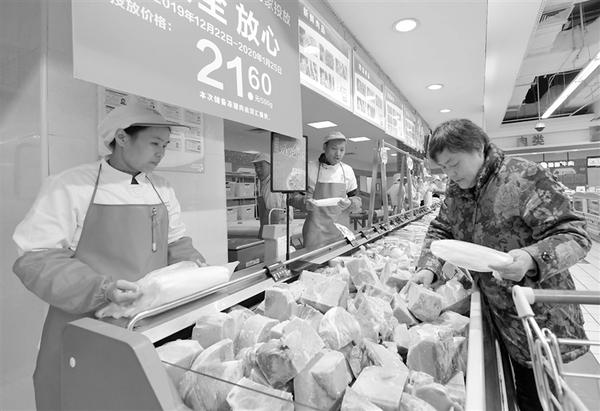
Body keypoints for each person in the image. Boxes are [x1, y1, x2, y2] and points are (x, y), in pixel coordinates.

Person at [12, 104, 207, 411]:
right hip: (83, 324)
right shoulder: (71, 185)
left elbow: (177, 242)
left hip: (144, 324)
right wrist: (102, 289)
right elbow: (36, 258)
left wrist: (195, 266)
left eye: (165, 145)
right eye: (155, 143)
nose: (161, 153)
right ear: (122, 138)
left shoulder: (162, 188)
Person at [413, 119, 591, 411]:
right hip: (492, 313)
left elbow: (574, 235)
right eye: (443, 168)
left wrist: (530, 257)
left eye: (454, 163)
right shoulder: (457, 189)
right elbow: (442, 228)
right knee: (511, 392)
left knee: (537, 397)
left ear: (478, 148)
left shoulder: (524, 177)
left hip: (535, 317)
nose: (450, 173)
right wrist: (428, 267)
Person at [301, 131, 361, 250]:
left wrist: (351, 203)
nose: (338, 154)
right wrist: (304, 202)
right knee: (314, 260)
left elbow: (357, 199)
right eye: (334, 148)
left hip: (340, 231)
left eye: (342, 150)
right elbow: (294, 197)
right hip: (315, 232)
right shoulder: (310, 168)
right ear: (324, 147)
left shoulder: (348, 170)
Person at [252, 152, 287, 238]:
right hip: (271, 227)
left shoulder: (272, 184)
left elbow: (274, 214)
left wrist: (265, 236)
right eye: (256, 166)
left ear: (270, 166)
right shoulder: (265, 183)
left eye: (261, 166)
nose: (258, 170)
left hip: (276, 230)